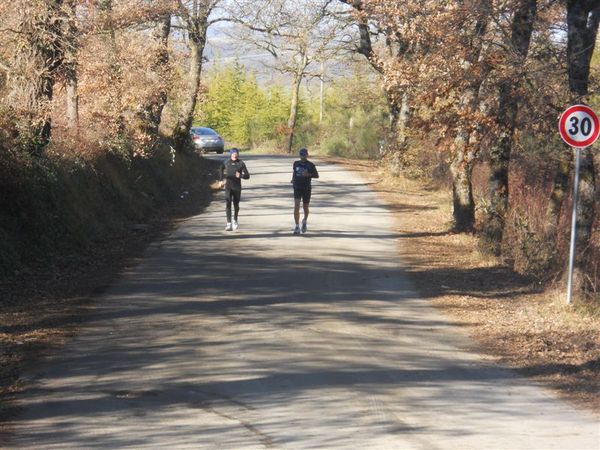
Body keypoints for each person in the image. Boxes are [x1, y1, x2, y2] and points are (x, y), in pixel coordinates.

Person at [220, 148, 250, 231]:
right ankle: (228, 223)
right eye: (233, 153)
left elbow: (247, 175)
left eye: (236, 153)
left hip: (237, 187)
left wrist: (240, 176)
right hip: (228, 186)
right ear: (231, 154)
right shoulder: (226, 162)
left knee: (236, 205)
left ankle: (235, 220)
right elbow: (221, 169)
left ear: (238, 154)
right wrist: (221, 180)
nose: (235, 154)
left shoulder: (241, 163)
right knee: (228, 203)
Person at [291, 147, 319, 234]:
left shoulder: (311, 165)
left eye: (304, 154)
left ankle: (304, 221)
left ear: (307, 155)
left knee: (305, 207)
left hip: (306, 188)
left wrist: (308, 174)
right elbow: (294, 172)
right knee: (296, 206)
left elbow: (317, 175)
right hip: (297, 187)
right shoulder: (296, 163)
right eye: (301, 154)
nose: (302, 156)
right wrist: (292, 179)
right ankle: (296, 226)